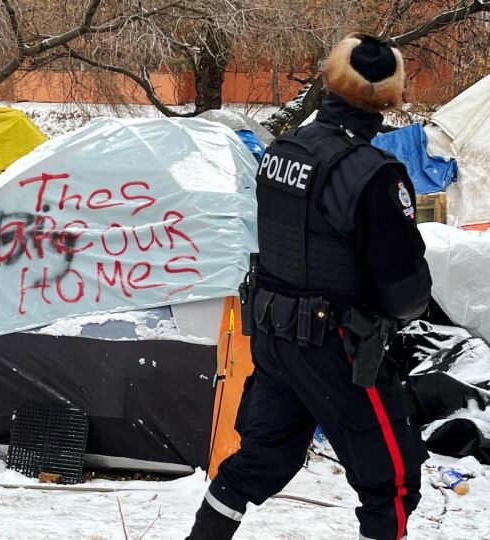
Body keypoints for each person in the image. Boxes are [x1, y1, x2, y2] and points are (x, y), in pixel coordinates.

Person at [186, 33, 432, 540]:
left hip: (275, 339)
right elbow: (405, 292)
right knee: (392, 480)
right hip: (337, 348)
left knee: (259, 460)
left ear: (330, 80)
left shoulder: (282, 150)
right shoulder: (374, 175)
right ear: (391, 94)